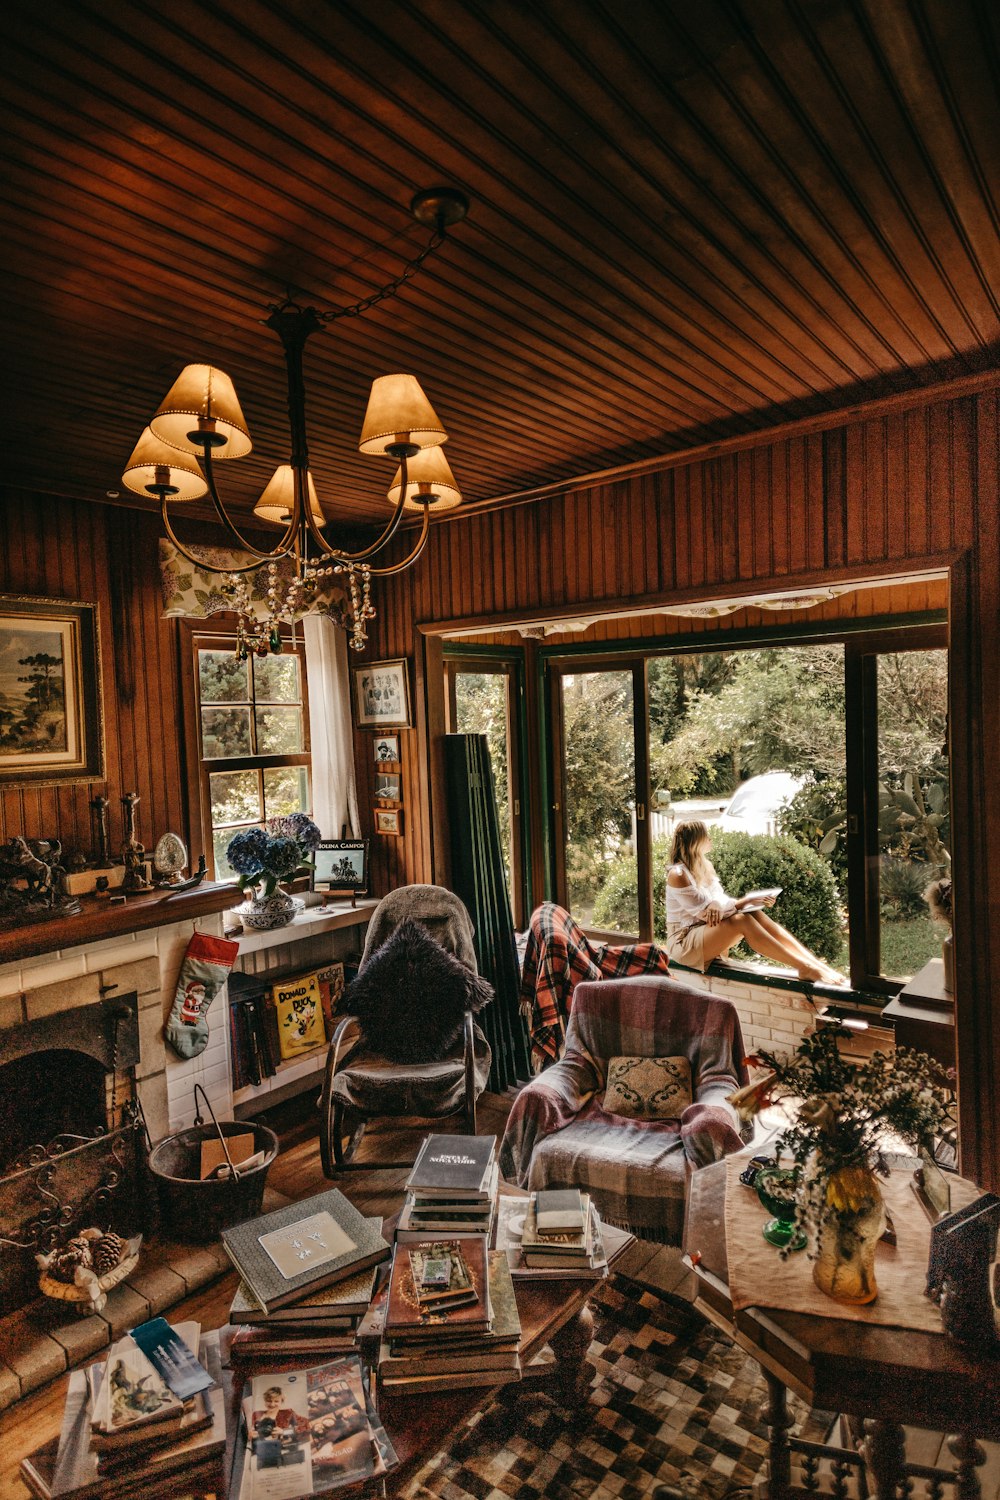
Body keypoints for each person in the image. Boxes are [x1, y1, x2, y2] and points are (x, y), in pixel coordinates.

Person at [665, 820, 846, 985]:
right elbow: (705, 913)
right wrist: (743, 901)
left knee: (753, 912)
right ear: (695, 841)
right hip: (684, 941)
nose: (710, 839)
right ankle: (803, 968)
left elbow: (719, 900)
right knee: (741, 920)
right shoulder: (678, 874)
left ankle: (813, 964)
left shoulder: (704, 865)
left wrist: (726, 904)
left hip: (703, 930)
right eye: (706, 836)